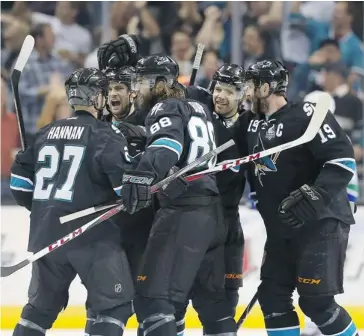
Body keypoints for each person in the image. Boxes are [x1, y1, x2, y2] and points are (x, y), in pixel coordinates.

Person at [231, 60, 359, 336]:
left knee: (317, 302)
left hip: (320, 222)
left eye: (251, 86)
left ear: (266, 87)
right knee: (273, 298)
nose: (246, 93)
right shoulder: (249, 123)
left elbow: (342, 161)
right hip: (281, 226)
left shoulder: (307, 115)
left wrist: (315, 194)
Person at [10, 67, 136, 336]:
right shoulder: (105, 135)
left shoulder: (45, 133)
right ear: (97, 98)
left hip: (46, 236)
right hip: (92, 237)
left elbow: (19, 186)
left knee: (39, 310)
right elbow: (125, 190)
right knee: (114, 308)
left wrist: (46, 209)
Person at [119, 54, 237, 336]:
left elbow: (168, 144)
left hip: (183, 213)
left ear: (160, 83)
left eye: (142, 81)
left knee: (152, 301)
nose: (137, 89)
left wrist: (144, 172)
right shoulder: (197, 105)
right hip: (212, 213)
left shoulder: (164, 106)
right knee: (212, 306)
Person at [84, 66, 155, 336]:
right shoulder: (95, 126)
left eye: (119, 89)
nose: (113, 94)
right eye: (109, 89)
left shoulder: (150, 121)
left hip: (141, 226)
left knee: (146, 303)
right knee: (100, 304)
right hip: (106, 230)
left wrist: (144, 137)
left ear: (132, 92)